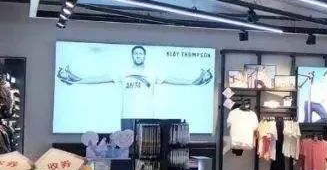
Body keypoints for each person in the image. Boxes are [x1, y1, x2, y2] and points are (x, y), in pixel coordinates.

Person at [57, 45, 212, 119]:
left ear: (144, 56)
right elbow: (99, 78)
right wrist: (78, 80)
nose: (138, 56)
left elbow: (172, 79)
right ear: (133, 56)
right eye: (136, 53)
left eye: (140, 54)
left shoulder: (152, 72)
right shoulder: (123, 71)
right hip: (127, 117)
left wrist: (192, 82)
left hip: (147, 117)